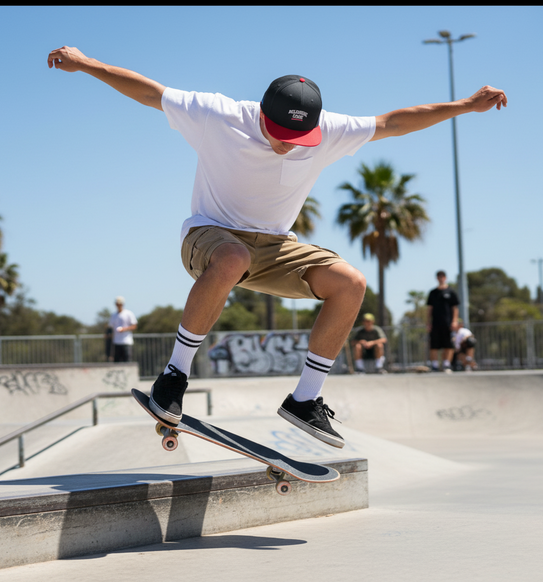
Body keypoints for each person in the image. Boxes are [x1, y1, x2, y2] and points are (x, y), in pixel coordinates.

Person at [48, 45, 507, 448]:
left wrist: (465, 105)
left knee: (350, 282)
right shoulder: (218, 114)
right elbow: (150, 92)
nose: (289, 147)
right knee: (233, 256)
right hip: (208, 235)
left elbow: (394, 122)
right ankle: (173, 377)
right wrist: (86, 64)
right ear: (261, 115)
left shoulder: (329, 130)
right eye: (281, 137)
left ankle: (305, 399)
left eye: (298, 139)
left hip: (274, 247)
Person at [426, 271, 459, 373]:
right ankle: (434, 365)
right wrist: (428, 322)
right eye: (439, 277)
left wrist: (454, 321)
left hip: (447, 323)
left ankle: (446, 364)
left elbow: (455, 308)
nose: (441, 278)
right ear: (437, 278)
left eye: (442, 276)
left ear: (445, 278)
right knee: (434, 345)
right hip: (435, 323)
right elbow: (429, 309)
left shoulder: (451, 292)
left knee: (448, 345)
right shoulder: (433, 293)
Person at [109, 296, 138, 362]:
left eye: (120, 303)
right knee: (117, 361)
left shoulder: (128, 313)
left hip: (126, 342)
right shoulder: (113, 315)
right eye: (117, 303)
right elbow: (110, 328)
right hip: (116, 342)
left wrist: (124, 329)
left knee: (127, 361)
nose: (119, 305)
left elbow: (134, 326)